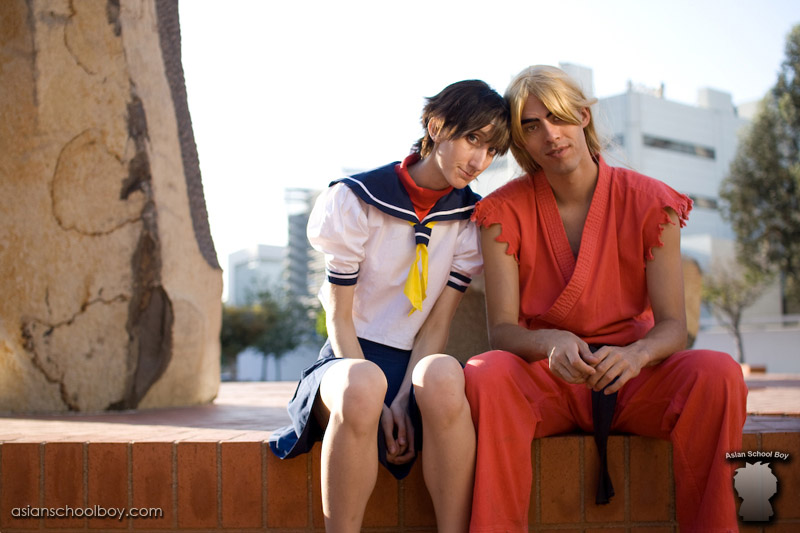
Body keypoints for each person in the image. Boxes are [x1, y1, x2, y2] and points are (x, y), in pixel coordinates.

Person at [464, 65, 748, 532]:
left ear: (583, 116)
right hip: (549, 380)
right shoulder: (501, 211)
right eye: (531, 126)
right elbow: (503, 331)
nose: (550, 135)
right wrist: (549, 343)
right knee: (486, 373)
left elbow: (674, 327)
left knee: (718, 373)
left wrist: (636, 356)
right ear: (520, 142)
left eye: (558, 116)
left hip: (635, 380)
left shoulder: (653, 202)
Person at [269, 79, 511, 533]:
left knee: (444, 373)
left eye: (492, 149)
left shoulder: (467, 221)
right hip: (347, 363)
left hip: (412, 366)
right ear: (435, 126)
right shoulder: (356, 199)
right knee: (363, 384)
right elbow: (339, 318)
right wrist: (381, 403)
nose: (479, 160)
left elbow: (436, 326)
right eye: (472, 139)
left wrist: (401, 399)